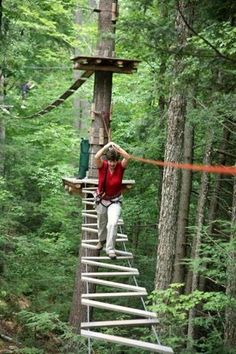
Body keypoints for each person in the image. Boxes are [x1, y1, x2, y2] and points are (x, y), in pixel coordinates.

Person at [94, 141, 130, 259]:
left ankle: (110, 249)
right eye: (110, 161)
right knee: (102, 224)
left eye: (114, 161)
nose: (112, 164)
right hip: (102, 199)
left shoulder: (120, 167)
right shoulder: (102, 166)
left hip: (115, 200)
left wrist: (117, 146)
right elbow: (96, 156)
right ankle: (101, 240)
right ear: (107, 160)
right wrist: (106, 146)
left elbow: (127, 157)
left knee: (113, 223)